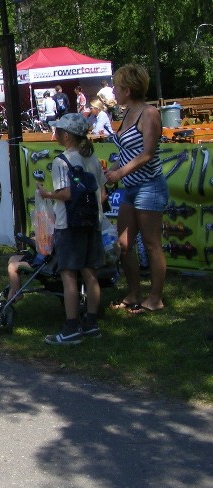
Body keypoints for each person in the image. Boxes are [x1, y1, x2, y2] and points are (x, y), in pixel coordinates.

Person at [37, 113, 106, 344]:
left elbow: (65, 193)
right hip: (92, 222)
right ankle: (92, 323)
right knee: (90, 272)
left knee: (69, 275)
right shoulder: (92, 158)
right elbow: (102, 192)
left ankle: (71, 327)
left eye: (57, 131)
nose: (55, 133)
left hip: (68, 224)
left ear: (66, 136)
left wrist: (46, 194)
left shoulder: (61, 161)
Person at [105, 64, 167, 315]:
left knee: (152, 244)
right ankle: (133, 293)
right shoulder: (127, 113)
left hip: (149, 186)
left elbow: (147, 153)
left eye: (117, 87)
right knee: (124, 244)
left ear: (128, 90)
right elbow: (127, 152)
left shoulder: (149, 113)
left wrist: (119, 173)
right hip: (130, 187)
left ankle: (155, 298)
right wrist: (111, 168)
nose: (113, 91)